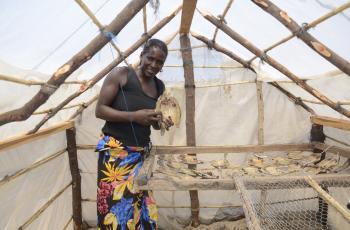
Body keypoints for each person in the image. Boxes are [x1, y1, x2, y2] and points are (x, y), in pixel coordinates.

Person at [95, 38, 173, 230]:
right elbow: (100, 110)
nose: (154, 65)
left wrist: (162, 122)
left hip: (141, 156)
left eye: (159, 62)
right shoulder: (121, 75)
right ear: (142, 55)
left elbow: (151, 123)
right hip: (115, 157)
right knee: (115, 210)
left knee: (140, 205)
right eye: (150, 58)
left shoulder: (159, 86)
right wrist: (134, 116)